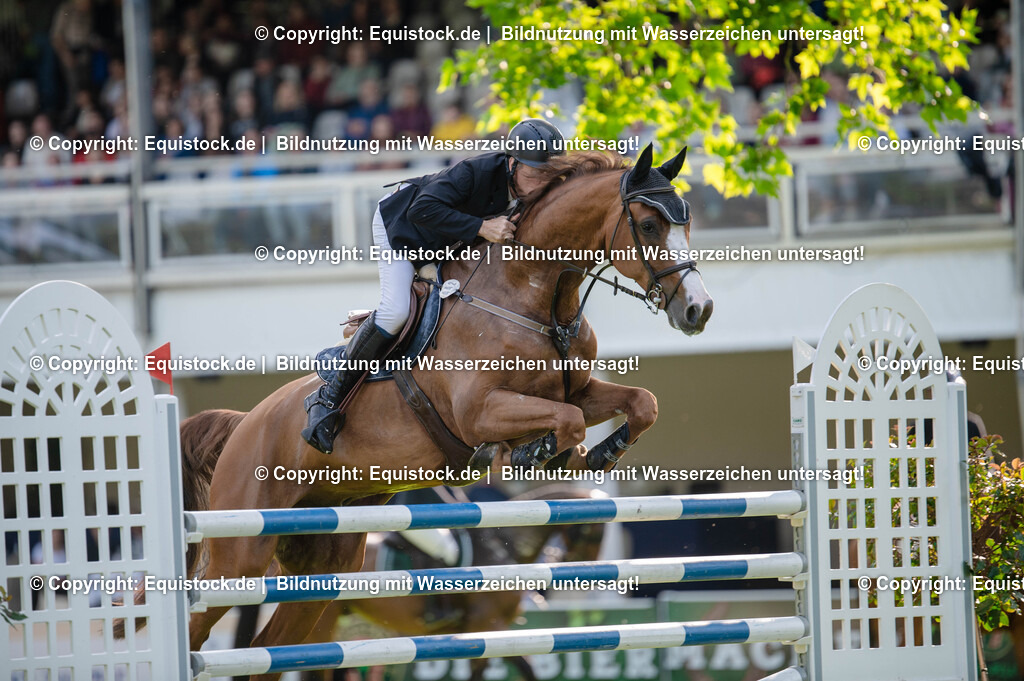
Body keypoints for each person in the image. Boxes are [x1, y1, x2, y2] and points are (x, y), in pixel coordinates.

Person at [301, 118, 565, 454]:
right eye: (534, 173)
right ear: (512, 163)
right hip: (402, 229)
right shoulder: (474, 172)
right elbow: (421, 210)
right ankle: (328, 397)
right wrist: (482, 227)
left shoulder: (539, 187)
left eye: (548, 175)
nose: (542, 183)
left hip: (446, 242)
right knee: (396, 311)